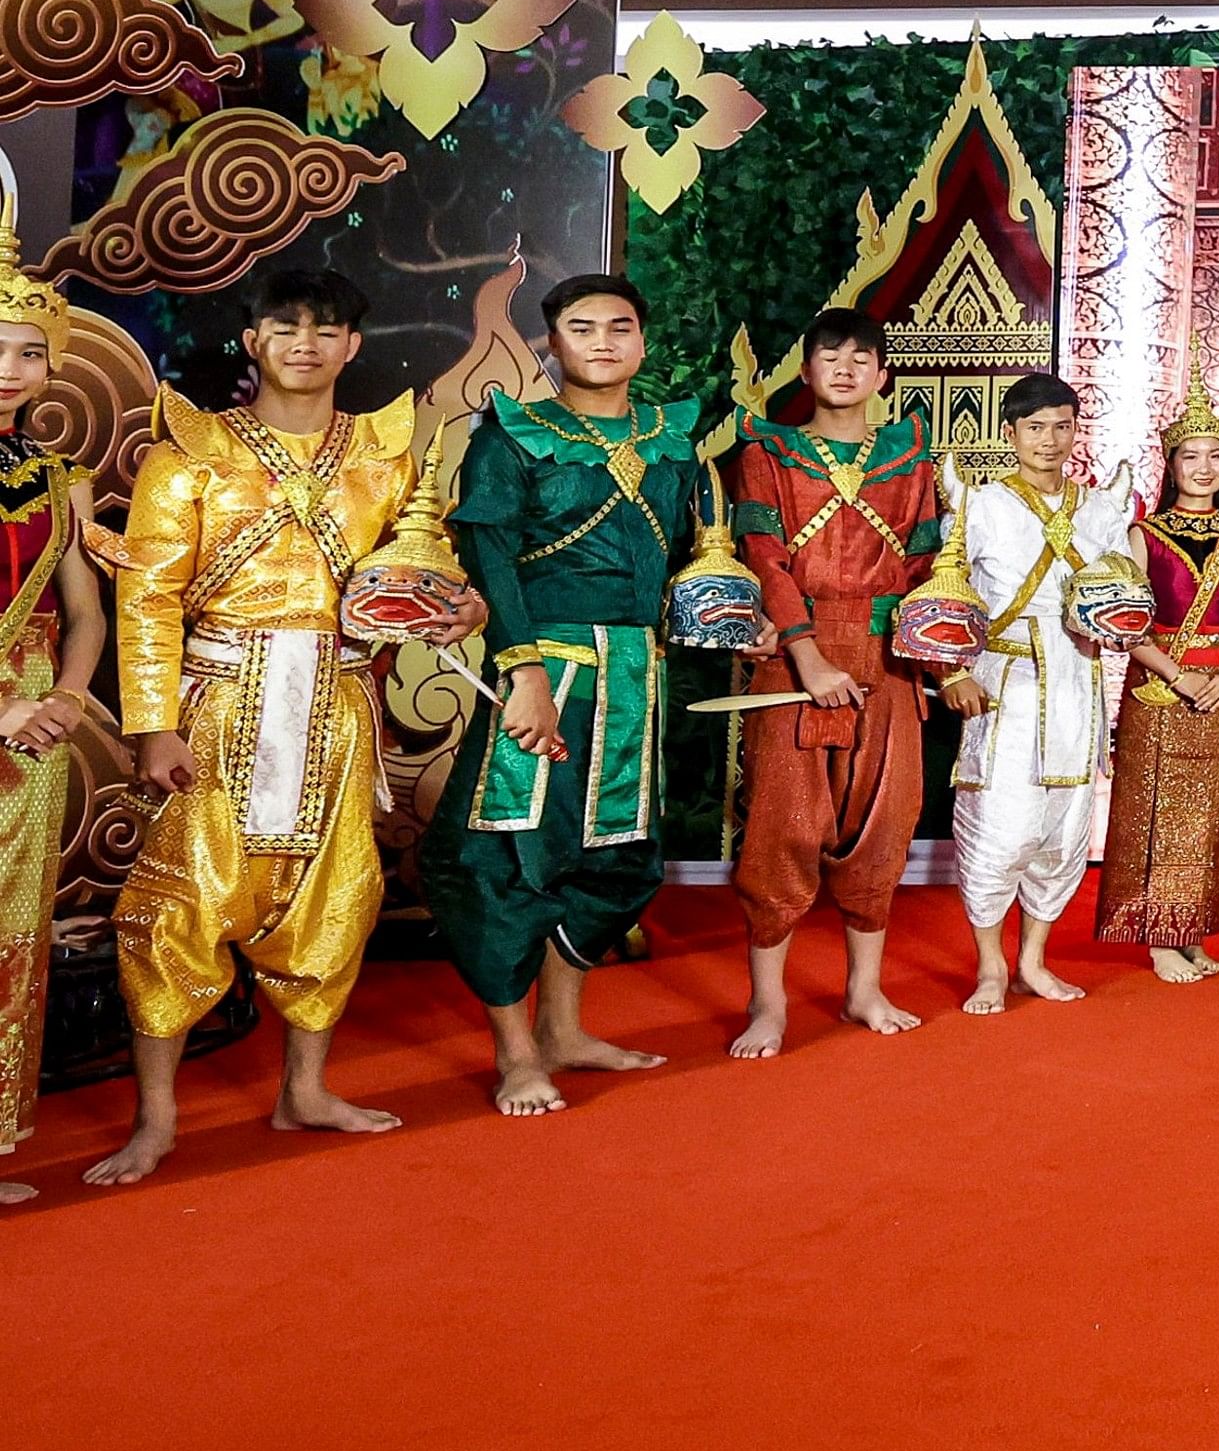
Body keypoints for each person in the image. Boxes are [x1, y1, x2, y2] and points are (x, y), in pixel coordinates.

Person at [88, 268, 479, 1186]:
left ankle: (305, 1088)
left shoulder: (387, 458)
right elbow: (148, 597)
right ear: (253, 341)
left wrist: (463, 611)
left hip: (339, 708)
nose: (305, 342)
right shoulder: (189, 451)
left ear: (352, 346)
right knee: (178, 903)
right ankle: (158, 1119)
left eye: (326, 329)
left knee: (339, 895)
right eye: (284, 326)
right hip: (220, 705)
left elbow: (422, 578)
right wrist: (153, 725)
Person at [419, 274, 707, 1116]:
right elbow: (491, 559)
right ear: (554, 344)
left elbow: (691, 558)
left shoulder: (672, 438)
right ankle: (515, 1053)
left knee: (614, 857)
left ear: (642, 343)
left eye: (620, 327)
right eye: (582, 328)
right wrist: (526, 673)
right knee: (503, 855)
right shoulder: (513, 434)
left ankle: (566, 1031)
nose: (604, 341)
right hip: (544, 668)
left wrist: (732, 616)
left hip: (636, 676)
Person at [725, 308, 949, 1060]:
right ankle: (768, 1004)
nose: (846, 368)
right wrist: (806, 653)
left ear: (883, 374)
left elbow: (926, 565)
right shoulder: (769, 453)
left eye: (862, 356)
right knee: (783, 827)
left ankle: (863, 989)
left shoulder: (911, 460)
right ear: (806, 370)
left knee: (884, 823)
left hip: (888, 657)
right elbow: (763, 556)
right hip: (792, 656)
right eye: (830, 355)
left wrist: (935, 650)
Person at [940, 374, 1132, 1015]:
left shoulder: (1101, 509)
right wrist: (951, 673)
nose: (1049, 440)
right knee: (1003, 829)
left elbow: (1125, 599)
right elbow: (947, 597)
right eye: (1034, 428)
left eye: (1061, 426)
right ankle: (991, 966)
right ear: (1010, 433)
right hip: (1005, 685)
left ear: (1075, 432)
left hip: (1078, 683)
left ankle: (1033, 961)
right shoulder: (979, 504)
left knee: (1063, 830)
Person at [0, 208, 106, 1204]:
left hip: (30, 740)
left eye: (29, 352)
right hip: (3, 722)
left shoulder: (56, 477)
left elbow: (84, 610)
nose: (10, 367)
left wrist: (68, 695)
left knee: (11, 939)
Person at [1100, 368, 1219, 982]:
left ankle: (1192, 930)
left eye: (1215, 456)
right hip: (1158, 687)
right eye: (1191, 456)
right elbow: (1126, 622)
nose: (1203, 467)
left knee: (1209, 817)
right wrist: (1178, 675)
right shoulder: (1144, 534)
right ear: (1171, 464)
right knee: (1153, 812)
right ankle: (1157, 938)